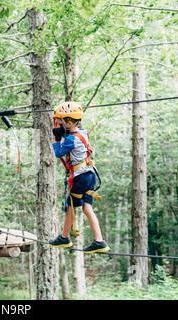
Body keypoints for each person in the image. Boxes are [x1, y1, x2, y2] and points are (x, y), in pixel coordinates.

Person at [48, 101, 110, 253]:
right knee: (86, 207)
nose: (59, 125)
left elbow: (58, 153)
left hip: (80, 176)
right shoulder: (83, 133)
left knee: (70, 205)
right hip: (90, 174)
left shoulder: (70, 139)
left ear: (68, 122)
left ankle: (64, 237)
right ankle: (99, 240)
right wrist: (63, 134)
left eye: (61, 122)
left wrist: (56, 139)